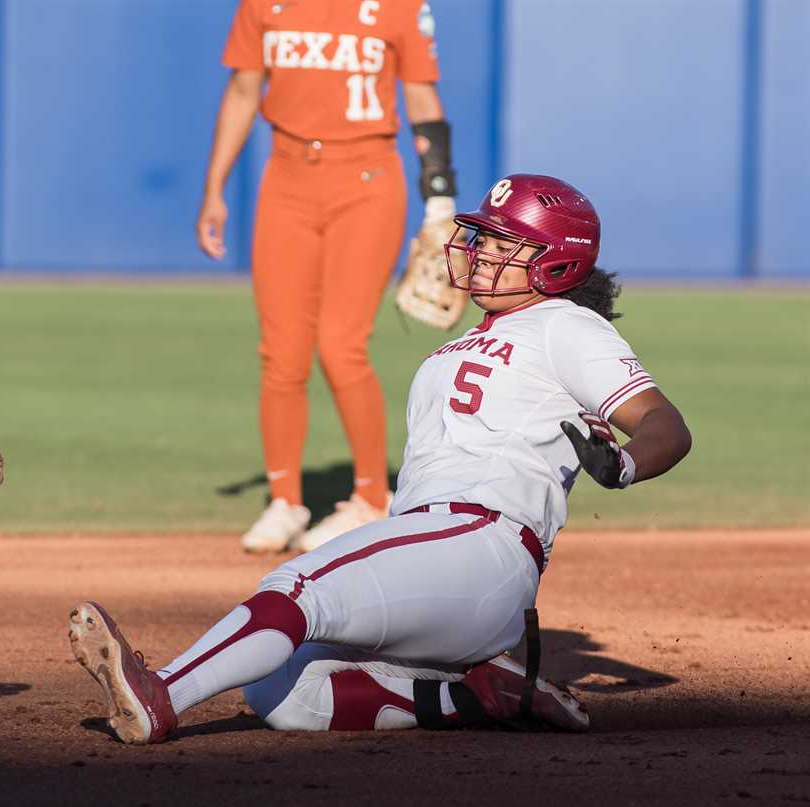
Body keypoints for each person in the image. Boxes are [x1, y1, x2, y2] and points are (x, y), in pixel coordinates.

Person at [72, 175, 693, 743]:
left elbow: (666, 425)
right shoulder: (474, 338)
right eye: (484, 236)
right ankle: (478, 699)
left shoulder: (566, 325)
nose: (482, 250)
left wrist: (626, 464)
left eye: (508, 244)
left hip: (480, 543)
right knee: (280, 692)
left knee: (296, 587)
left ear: (557, 264)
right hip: (433, 557)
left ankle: (162, 696)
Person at [197, 0, 460, 553]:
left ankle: (371, 498)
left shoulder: (398, 6)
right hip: (286, 180)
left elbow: (420, 96)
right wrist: (215, 187)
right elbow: (244, 90)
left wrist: (440, 198)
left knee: (341, 345)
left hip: (366, 180)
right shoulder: (263, 6)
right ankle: (285, 499)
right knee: (282, 350)